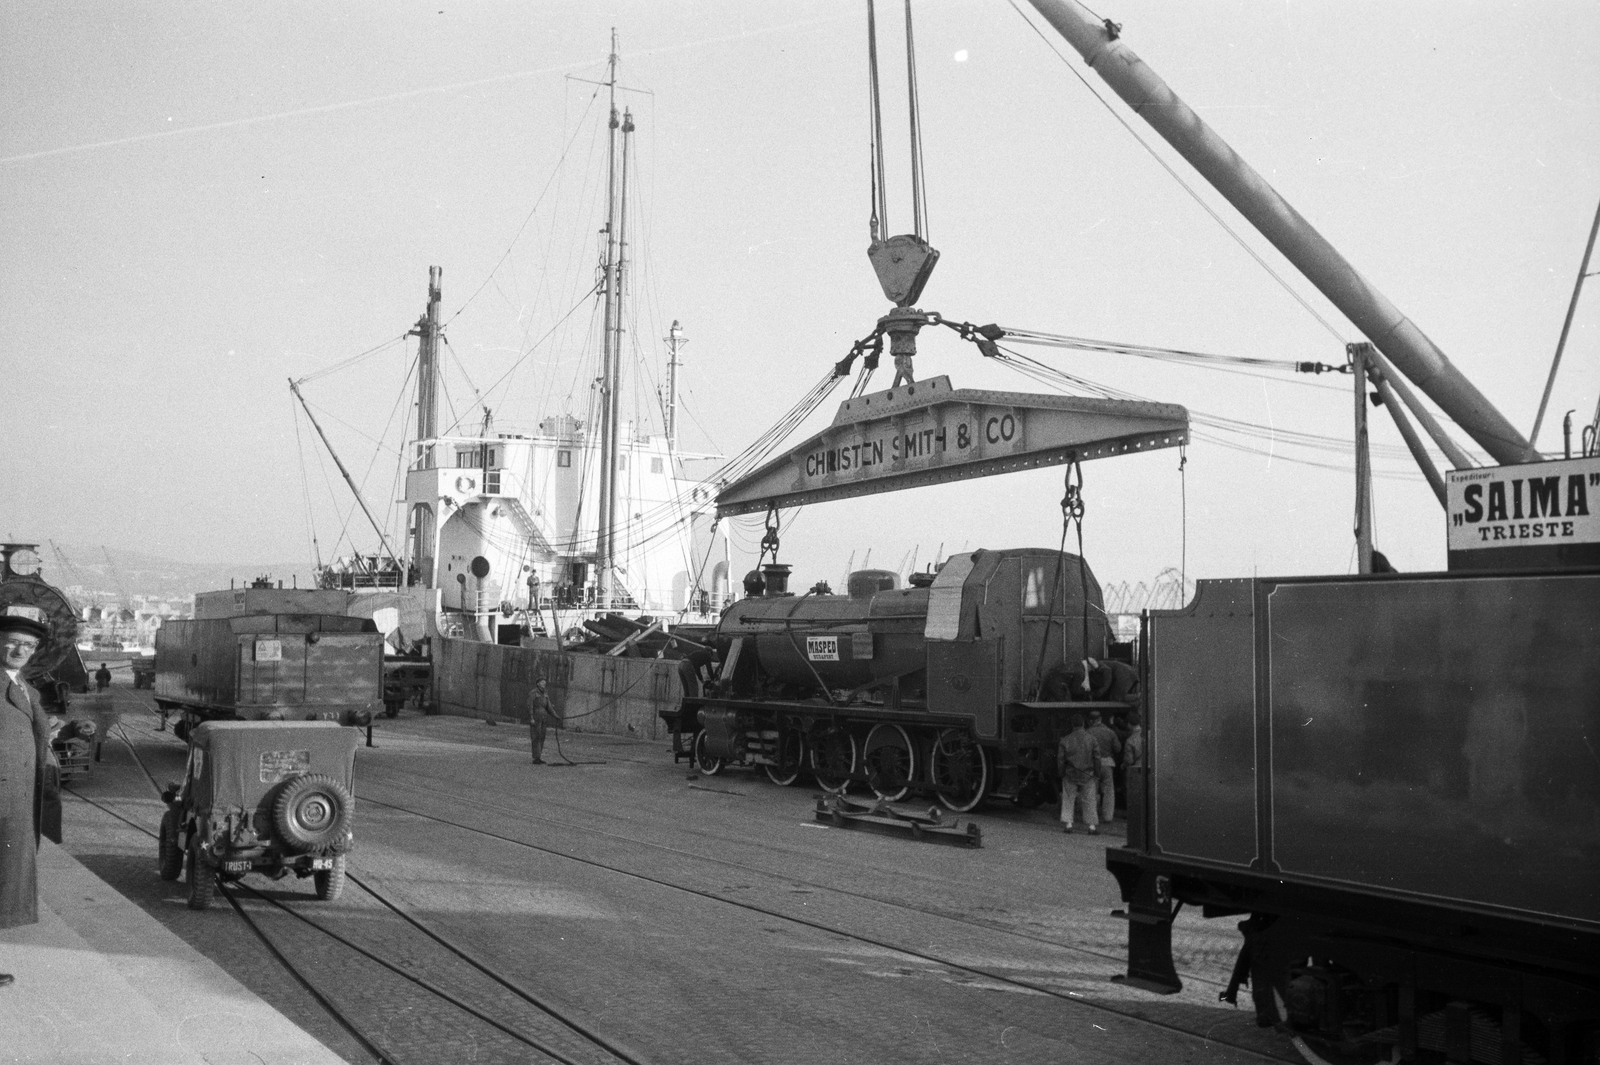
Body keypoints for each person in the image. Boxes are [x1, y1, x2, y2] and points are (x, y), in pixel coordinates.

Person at [1, 612, 58, 989]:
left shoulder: (22, 685)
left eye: (29, 645)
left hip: (16, 801)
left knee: (4, 883)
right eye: (13, 642)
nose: (21, 650)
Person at [1057, 713, 1101, 834]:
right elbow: (1097, 758)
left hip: (1070, 774)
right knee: (1089, 800)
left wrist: (1061, 773)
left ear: (1072, 725)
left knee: (1068, 798)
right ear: (1083, 724)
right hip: (1088, 774)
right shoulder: (1092, 739)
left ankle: (1068, 824)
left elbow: (1060, 760)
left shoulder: (1065, 740)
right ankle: (1091, 827)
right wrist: (1097, 773)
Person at [1086, 710, 1123, 823]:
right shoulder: (1110, 732)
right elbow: (1118, 748)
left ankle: (1092, 817)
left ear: (1090, 721)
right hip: (1107, 764)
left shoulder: (1087, 733)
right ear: (1100, 719)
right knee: (1108, 791)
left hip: (1093, 764)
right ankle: (1108, 817)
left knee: (1092, 791)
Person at [527, 678, 558, 764]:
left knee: (542, 736)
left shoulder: (545, 693)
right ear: (537, 684)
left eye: (544, 682)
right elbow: (530, 706)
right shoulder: (533, 693)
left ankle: (539, 756)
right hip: (536, 715)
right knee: (536, 737)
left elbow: (549, 707)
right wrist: (531, 718)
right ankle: (536, 757)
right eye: (542, 682)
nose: (544, 683)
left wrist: (555, 716)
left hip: (544, 716)